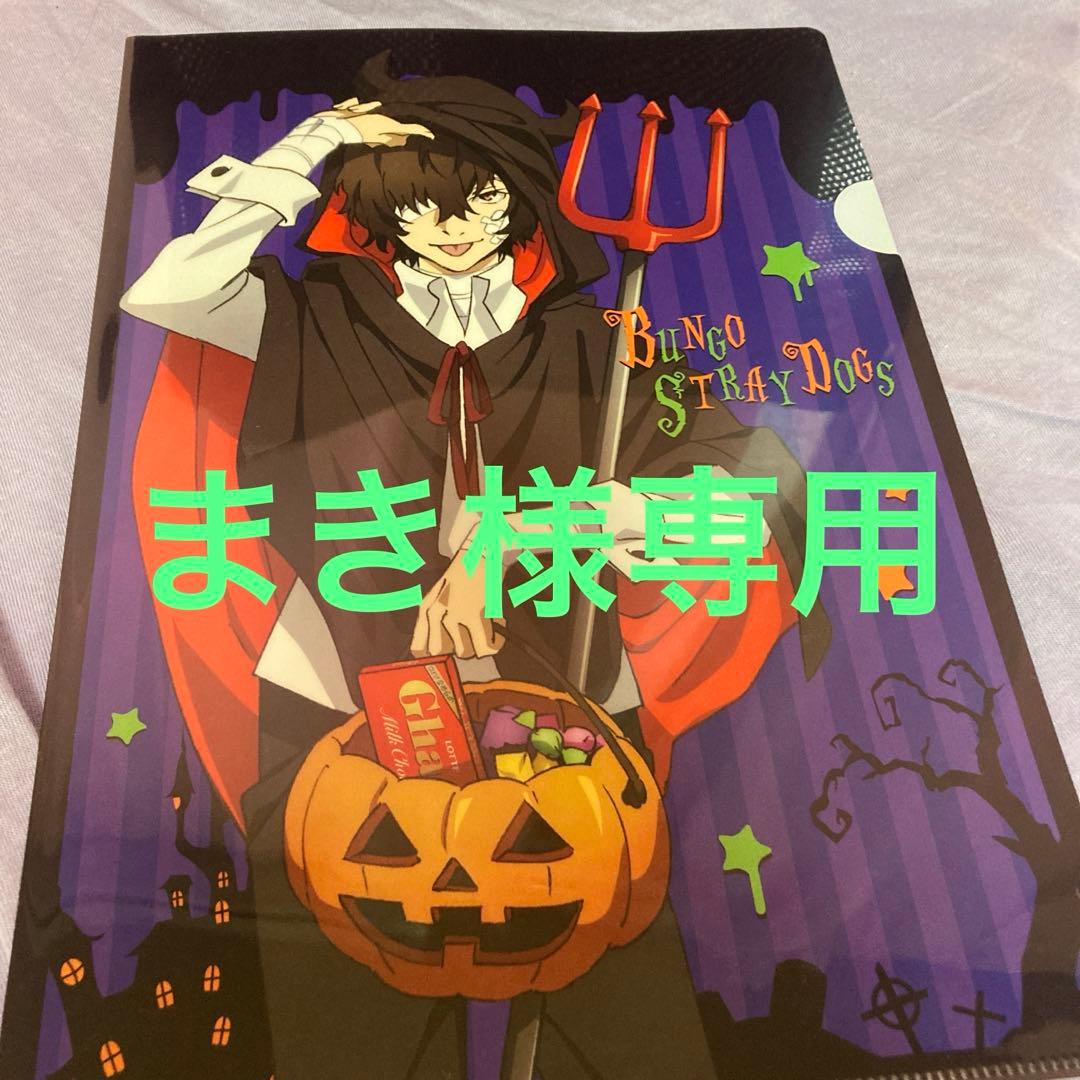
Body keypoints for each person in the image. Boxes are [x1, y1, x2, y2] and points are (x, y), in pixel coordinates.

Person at [123, 52, 827, 1078]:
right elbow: (169, 289)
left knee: (623, 1017)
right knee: (347, 1025)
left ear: (521, 196)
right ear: (376, 212)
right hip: (339, 703)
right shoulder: (308, 319)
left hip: (564, 704)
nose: (451, 226)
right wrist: (317, 142)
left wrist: (527, 529)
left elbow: (753, 499)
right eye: (417, 205)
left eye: (481, 196)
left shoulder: (602, 344)